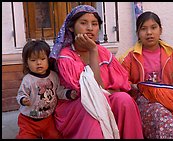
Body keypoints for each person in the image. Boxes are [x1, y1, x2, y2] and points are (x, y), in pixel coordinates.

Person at [49, 5, 144, 139]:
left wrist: (106, 92)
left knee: (124, 100)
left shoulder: (104, 52)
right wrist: (93, 51)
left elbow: (120, 87)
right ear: (71, 27)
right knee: (93, 108)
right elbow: (91, 92)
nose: (89, 28)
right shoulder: (66, 57)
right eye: (83, 23)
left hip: (104, 99)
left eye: (94, 24)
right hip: (77, 106)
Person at [118, 11, 173, 139]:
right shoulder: (129, 57)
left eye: (153, 27)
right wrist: (134, 87)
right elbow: (120, 82)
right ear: (138, 33)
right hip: (145, 104)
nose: (149, 33)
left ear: (161, 30)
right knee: (160, 112)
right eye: (143, 29)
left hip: (171, 100)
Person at [16, 40, 77, 139]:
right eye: (33, 60)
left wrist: (69, 94)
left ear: (48, 60)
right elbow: (21, 94)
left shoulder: (53, 76)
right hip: (29, 120)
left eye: (43, 59)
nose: (38, 63)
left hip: (48, 119)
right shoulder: (28, 80)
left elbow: (59, 91)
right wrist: (23, 100)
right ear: (26, 63)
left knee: (55, 136)